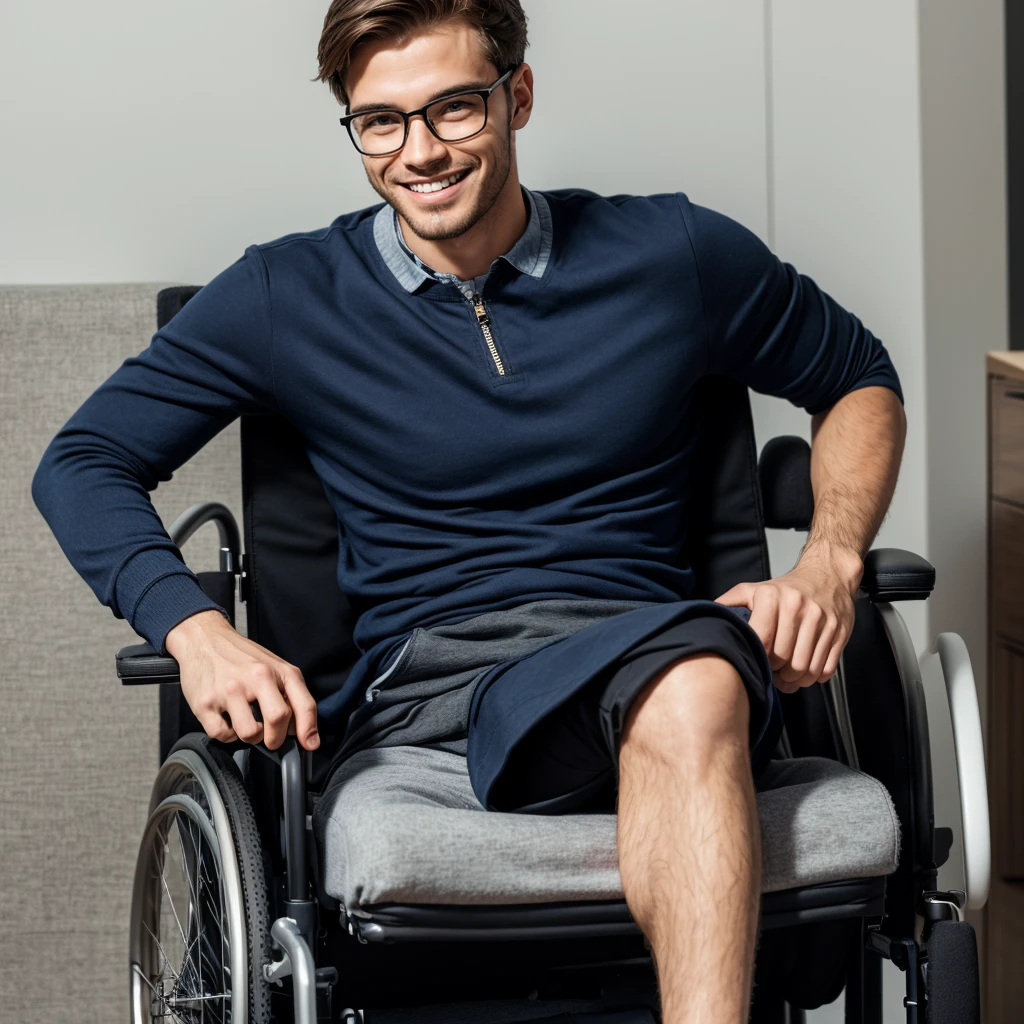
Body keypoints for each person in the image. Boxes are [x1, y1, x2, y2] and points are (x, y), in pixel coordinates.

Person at [32, 1, 906, 1020]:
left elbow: (858, 378)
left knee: (696, 673)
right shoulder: (288, 293)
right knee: (700, 671)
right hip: (435, 690)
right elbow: (82, 459)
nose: (420, 152)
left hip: (655, 652)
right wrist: (195, 629)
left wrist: (830, 559)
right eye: (381, 122)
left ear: (517, 95)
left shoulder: (672, 253)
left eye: (453, 109)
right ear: (354, 127)